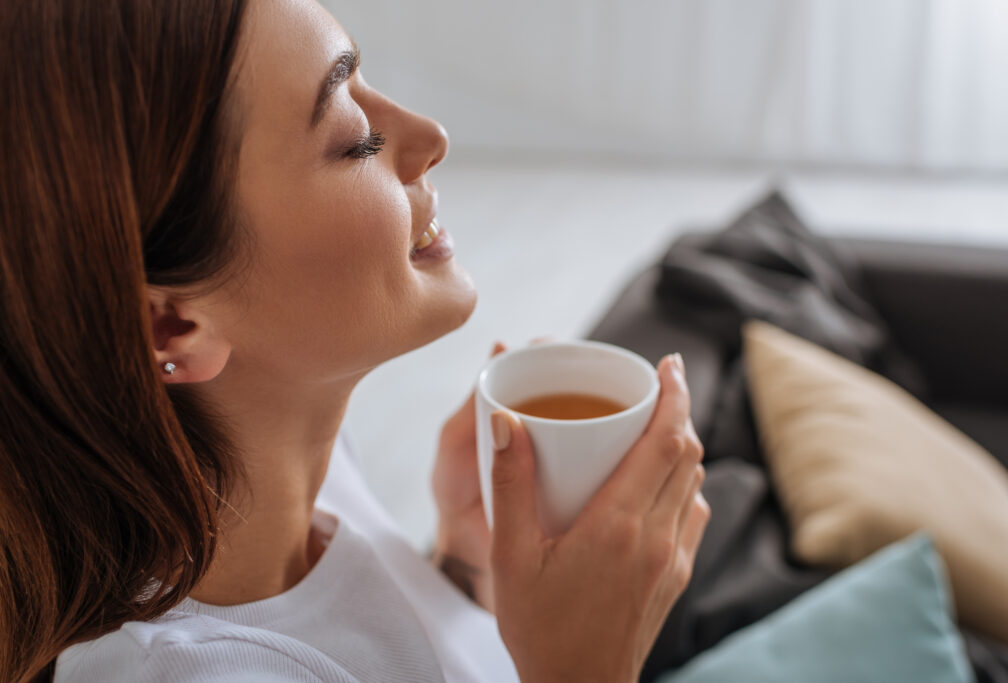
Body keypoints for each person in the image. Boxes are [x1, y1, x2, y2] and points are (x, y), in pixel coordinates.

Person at [0, 0, 710, 681]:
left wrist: (466, 566)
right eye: (354, 140)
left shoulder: (286, 466)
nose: (432, 137)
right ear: (172, 326)